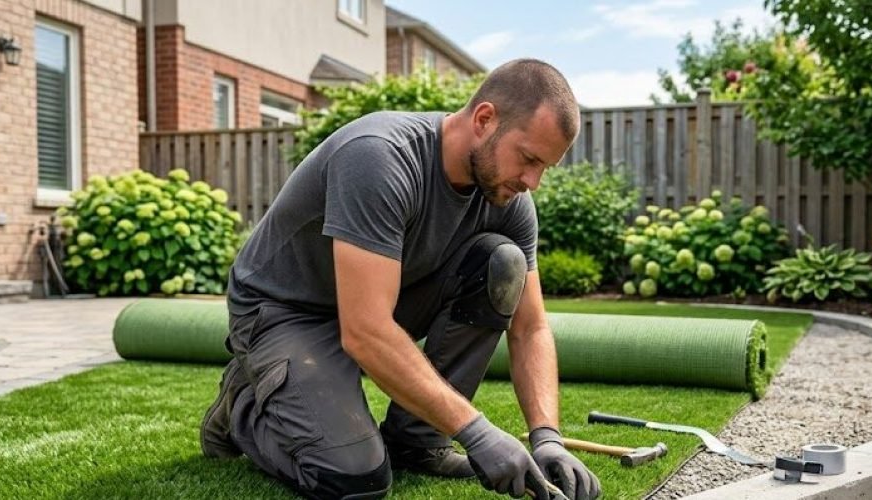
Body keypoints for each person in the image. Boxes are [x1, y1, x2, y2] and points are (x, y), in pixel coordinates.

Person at [199, 58, 601, 500]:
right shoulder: (379, 156)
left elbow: (531, 327)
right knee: (354, 480)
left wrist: (547, 436)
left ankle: (418, 442)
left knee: (501, 264)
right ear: (485, 120)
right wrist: (478, 432)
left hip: (375, 306)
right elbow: (366, 332)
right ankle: (243, 407)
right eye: (528, 159)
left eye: (545, 167)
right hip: (283, 311)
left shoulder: (510, 202)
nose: (533, 182)